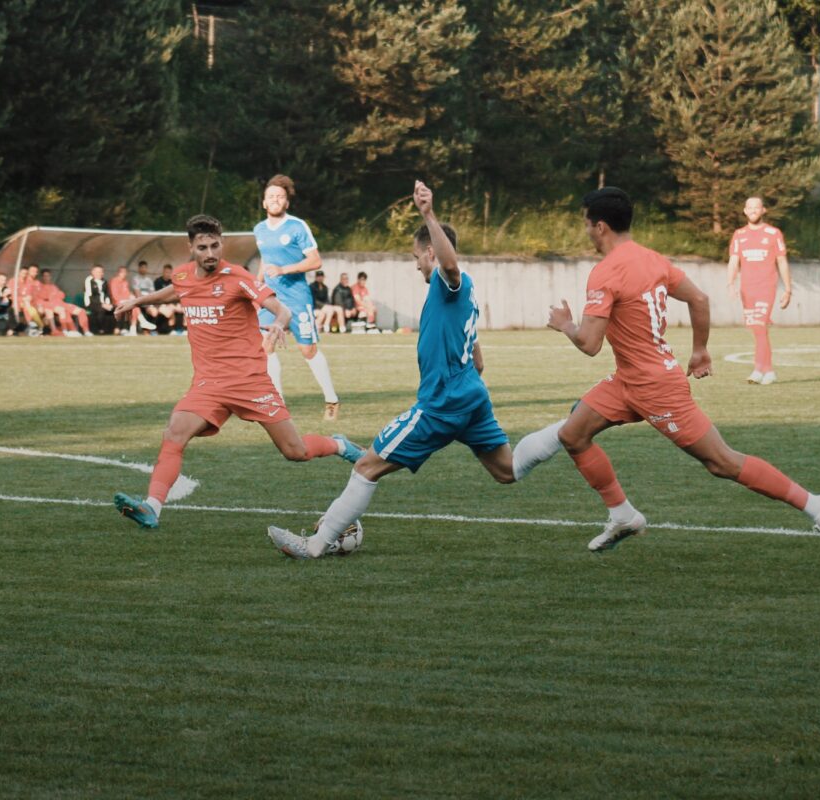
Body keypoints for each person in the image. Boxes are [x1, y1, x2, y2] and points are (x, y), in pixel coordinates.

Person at [267, 181, 563, 559]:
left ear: (430, 252)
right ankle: (567, 431)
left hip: (442, 402)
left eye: (416, 256)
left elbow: (449, 264)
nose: (416, 264)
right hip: (470, 396)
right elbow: (479, 360)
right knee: (507, 469)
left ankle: (314, 544)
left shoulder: (448, 280)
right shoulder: (469, 292)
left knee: (367, 466)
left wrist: (427, 213)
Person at [546, 186, 820, 554]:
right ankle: (623, 514)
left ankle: (818, 506)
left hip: (655, 387)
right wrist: (700, 350)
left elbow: (590, 344)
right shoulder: (654, 259)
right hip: (629, 379)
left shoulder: (605, 272)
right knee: (573, 433)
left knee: (722, 462)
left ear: (600, 227)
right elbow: (699, 299)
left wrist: (565, 324)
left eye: (586, 225)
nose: (586, 232)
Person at [112, 214, 364, 530]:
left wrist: (277, 323)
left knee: (295, 451)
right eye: (202, 247)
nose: (210, 253)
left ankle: (339, 444)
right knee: (174, 434)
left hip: (249, 381)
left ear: (222, 243)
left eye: (215, 245)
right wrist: (138, 301)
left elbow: (280, 307)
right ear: (190, 247)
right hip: (208, 384)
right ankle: (151, 508)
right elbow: (175, 292)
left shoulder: (237, 277)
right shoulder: (183, 277)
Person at [254, 174, 341, 420]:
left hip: (296, 296)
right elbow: (264, 259)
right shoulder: (259, 229)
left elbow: (315, 260)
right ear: (264, 202)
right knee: (265, 346)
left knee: (307, 350)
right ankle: (278, 404)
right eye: (270, 196)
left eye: (279, 197)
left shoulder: (297, 226)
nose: (275, 200)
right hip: (270, 298)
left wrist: (284, 270)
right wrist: (257, 287)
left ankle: (332, 399)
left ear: (287, 203)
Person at [726, 197, 791, 384]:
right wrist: (730, 283)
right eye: (750, 207)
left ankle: (761, 369)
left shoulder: (773, 233)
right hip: (747, 289)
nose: (753, 210)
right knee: (756, 329)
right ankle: (767, 371)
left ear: (764, 210)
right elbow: (733, 260)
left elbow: (781, 261)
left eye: (757, 207)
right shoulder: (739, 234)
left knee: (760, 326)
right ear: (745, 211)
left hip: (766, 287)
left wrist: (787, 289)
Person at [35, 269, 89, 336]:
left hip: (62, 304)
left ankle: (86, 331)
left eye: (48, 276)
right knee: (63, 311)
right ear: (42, 277)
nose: (46, 278)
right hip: (54, 306)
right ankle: (68, 330)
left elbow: (62, 295)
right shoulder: (41, 288)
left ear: (50, 277)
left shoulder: (54, 287)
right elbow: (42, 301)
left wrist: (60, 295)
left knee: (82, 311)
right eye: (45, 276)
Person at [109, 265, 142, 336]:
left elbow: (127, 293)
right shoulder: (114, 281)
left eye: (125, 272)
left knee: (134, 306)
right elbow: (115, 296)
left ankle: (133, 329)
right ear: (118, 273)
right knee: (133, 306)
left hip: (125, 302)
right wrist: (126, 299)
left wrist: (131, 296)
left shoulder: (125, 282)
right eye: (122, 272)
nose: (124, 274)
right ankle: (140, 321)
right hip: (117, 303)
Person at [83, 265, 115, 335]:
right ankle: (100, 330)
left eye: (101, 272)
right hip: (91, 303)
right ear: (92, 272)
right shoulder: (89, 281)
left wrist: (108, 304)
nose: (100, 273)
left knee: (115, 309)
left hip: (103, 303)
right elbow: (90, 295)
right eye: (97, 272)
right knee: (101, 310)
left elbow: (107, 294)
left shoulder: (104, 281)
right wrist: (102, 304)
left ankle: (115, 329)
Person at [154, 264, 186, 335]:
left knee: (184, 309)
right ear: (163, 272)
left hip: (172, 303)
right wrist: (169, 304)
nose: (168, 274)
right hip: (161, 303)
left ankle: (184, 329)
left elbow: (177, 294)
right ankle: (171, 330)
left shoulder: (173, 282)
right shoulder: (158, 281)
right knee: (170, 310)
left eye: (169, 272)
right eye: (166, 272)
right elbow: (158, 296)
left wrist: (178, 304)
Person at [133, 261, 161, 334]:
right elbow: (137, 293)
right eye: (142, 267)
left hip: (149, 301)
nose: (144, 269)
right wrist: (146, 301)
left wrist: (153, 302)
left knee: (156, 308)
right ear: (139, 269)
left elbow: (152, 293)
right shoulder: (136, 279)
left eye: (145, 268)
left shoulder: (149, 280)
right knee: (153, 311)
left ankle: (152, 329)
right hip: (140, 301)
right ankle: (147, 330)